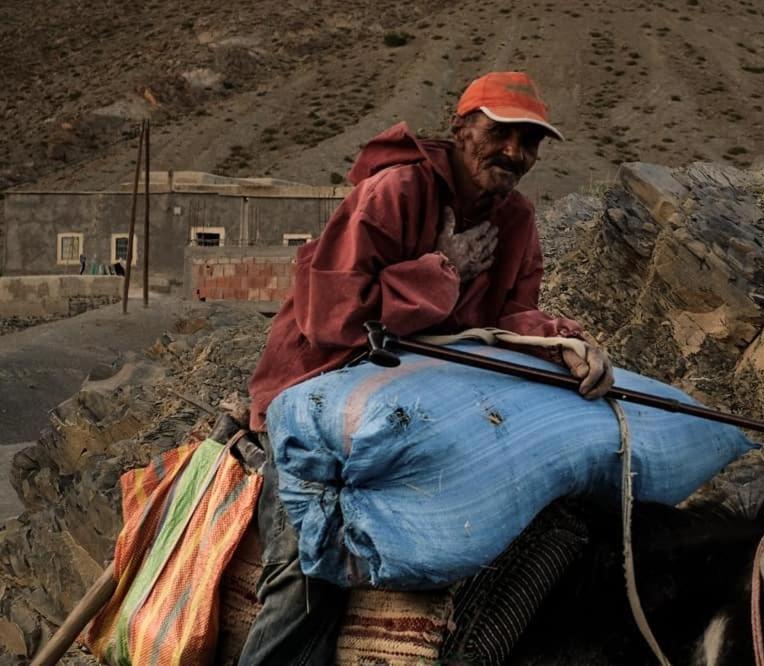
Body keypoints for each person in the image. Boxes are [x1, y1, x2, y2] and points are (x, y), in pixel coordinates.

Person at [240, 71, 615, 665]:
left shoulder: (515, 220)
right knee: (307, 575)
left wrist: (563, 344)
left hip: (418, 410)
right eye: (502, 133)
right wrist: (441, 271)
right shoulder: (396, 190)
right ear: (460, 128)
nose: (515, 152)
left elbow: (512, 314)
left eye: (531, 141)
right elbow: (331, 317)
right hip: (314, 396)